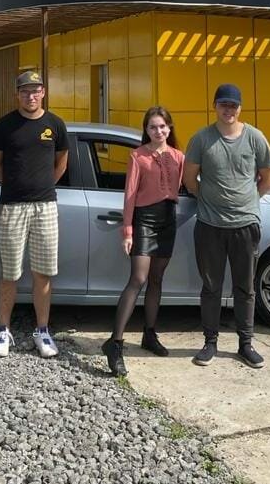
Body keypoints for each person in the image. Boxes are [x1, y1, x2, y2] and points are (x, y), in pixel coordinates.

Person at [183, 83, 270, 369]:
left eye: (233, 105)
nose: (228, 110)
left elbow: (268, 178)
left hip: (245, 224)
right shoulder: (201, 139)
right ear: (215, 106)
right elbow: (190, 180)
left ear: (240, 108)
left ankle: (246, 344)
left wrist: (248, 201)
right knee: (211, 287)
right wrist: (210, 199)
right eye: (223, 104)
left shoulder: (255, 138)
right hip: (209, 225)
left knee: (245, 288)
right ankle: (210, 343)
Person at [0, 69, 69, 359]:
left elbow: (61, 162)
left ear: (43, 92)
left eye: (35, 90)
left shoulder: (55, 124)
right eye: (25, 91)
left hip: (45, 206)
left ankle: (42, 331)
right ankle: (3, 330)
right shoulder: (5, 125)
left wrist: (43, 186)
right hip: (12, 206)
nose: (30, 96)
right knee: (9, 273)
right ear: (17, 95)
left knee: (43, 273)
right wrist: (15, 185)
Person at [101, 106, 185, 376]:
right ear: (146, 130)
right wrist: (128, 231)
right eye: (152, 127)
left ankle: (149, 334)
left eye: (162, 126)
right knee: (138, 278)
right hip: (144, 220)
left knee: (157, 279)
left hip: (168, 220)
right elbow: (129, 195)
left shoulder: (179, 157)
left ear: (169, 128)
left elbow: (189, 184)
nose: (158, 131)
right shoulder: (137, 156)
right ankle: (115, 343)